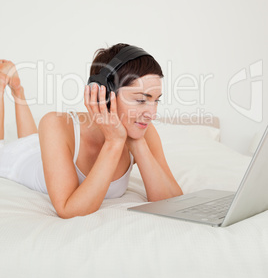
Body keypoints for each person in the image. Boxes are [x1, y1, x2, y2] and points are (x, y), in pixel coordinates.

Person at [0, 44, 183, 218]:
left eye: (156, 100)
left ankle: (18, 91)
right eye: (141, 100)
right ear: (104, 95)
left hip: (43, 148)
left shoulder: (141, 131)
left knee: (32, 139)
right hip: (23, 158)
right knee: (10, 146)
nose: (152, 114)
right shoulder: (55, 124)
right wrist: (113, 142)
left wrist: (136, 142)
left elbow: (173, 201)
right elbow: (68, 210)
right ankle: (3, 87)